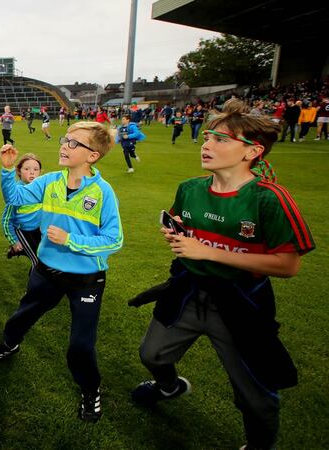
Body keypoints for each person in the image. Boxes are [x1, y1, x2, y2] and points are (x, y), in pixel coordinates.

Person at [129, 109, 314, 450]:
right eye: (207, 137)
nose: (206, 144)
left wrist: (208, 252)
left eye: (220, 139)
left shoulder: (270, 198)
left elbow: (288, 265)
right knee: (152, 354)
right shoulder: (190, 188)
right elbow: (183, 225)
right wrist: (177, 235)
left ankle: (259, 444)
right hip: (187, 291)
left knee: (254, 395)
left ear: (252, 151)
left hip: (239, 301)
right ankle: (169, 386)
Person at [0, 122, 123, 423]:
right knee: (23, 315)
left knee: (80, 346)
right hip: (47, 270)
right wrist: (8, 170)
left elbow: (114, 239)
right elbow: (17, 200)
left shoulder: (103, 192)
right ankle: (10, 344)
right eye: (65, 140)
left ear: (93, 156)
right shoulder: (49, 181)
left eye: (74, 144)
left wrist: (71, 240)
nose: (64, 146)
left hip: (86, 281)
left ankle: (90, 389)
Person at [1, 153, 42, 264]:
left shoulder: (42, 190)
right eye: (27, 169)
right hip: (24, 232)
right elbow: (6, 221)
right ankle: (18, 248)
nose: (32, 172)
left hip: (40, 231)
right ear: (18, 171)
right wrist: (14, 240)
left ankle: (20, 250)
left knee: (44, 256)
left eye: (36, 169)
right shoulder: (16, 193)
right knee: (37, 261)